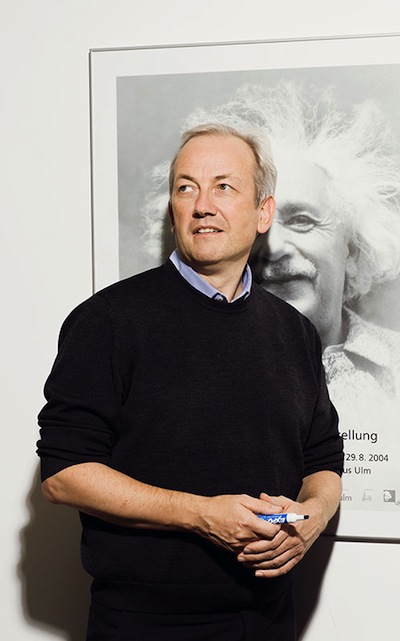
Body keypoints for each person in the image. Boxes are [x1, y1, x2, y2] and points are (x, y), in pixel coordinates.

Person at [37, 123, 344, 641]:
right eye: (186, 187)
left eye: (225, 186)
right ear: (174, 208)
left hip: (269, 619)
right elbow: (64, 473)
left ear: (262, 212)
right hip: (146, 625)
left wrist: (310, 519)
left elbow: (323, 461)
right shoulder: (108, 320)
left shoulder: (293, 330)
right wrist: (201, 514)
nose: (203, 204)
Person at [141, 82, 400, 434]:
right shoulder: (165, 365)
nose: (273, 245)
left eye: (302, 221)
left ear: (354, 253)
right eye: (254, 224)